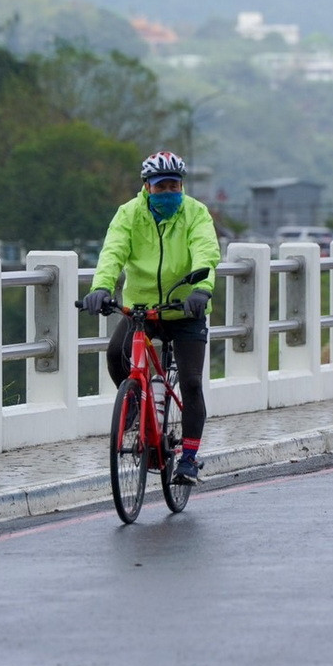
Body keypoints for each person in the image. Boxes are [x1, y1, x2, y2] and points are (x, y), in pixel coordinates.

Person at [83, 151, 220, 484]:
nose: (169, 192)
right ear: (147, 187)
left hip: (186, 308)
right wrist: (101, 287)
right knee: (117, 354)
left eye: (175, 185)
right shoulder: (128, 214)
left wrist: (201, 289)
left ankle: (188, 459)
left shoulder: (195, 213)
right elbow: (113, 251)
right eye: (162, 186)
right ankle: (133, 406)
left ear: (182, 186)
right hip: (143, 310)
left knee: (190, 382)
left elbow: (205, 250)